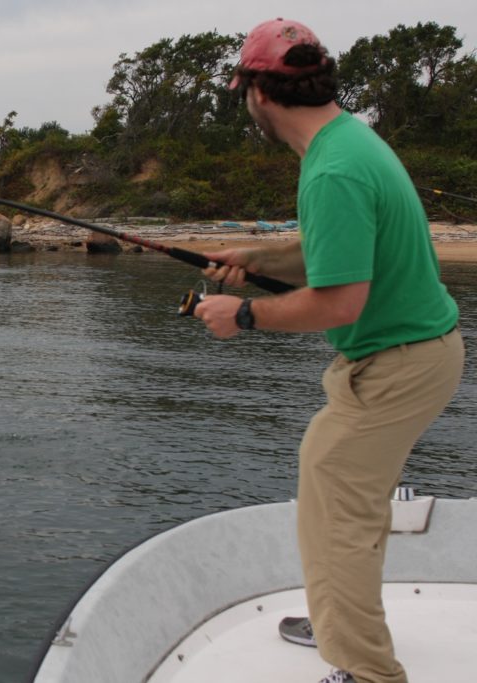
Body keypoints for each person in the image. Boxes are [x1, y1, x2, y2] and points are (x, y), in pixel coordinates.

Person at [193, 17, 465, 683]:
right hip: (412, 352)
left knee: (334, 500)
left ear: (258, 94)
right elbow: (335, 250)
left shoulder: (333, 169)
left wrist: (245, 314)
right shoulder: (348, 143)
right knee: (349, 500)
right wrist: (256, 255)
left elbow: (338, 302)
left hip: (398, 360)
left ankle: (367, 670)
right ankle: (338, 614)